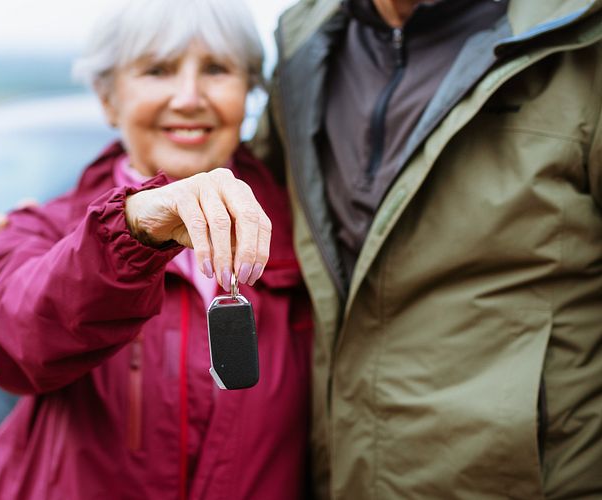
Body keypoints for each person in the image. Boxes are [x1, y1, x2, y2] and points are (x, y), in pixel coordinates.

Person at [250, 0, 602, 497]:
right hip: (335, 474)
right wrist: (129, 208)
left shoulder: (580, 34)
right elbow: (250, 207)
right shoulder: (304, 42)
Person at [0, 0, 314, 498]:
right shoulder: (42, 230)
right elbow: (13, 348)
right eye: (157, 70)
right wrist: (130, 232)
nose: (190, 97)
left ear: (249, 93)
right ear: (109, 99)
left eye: (217, 69)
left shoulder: (303, 233)